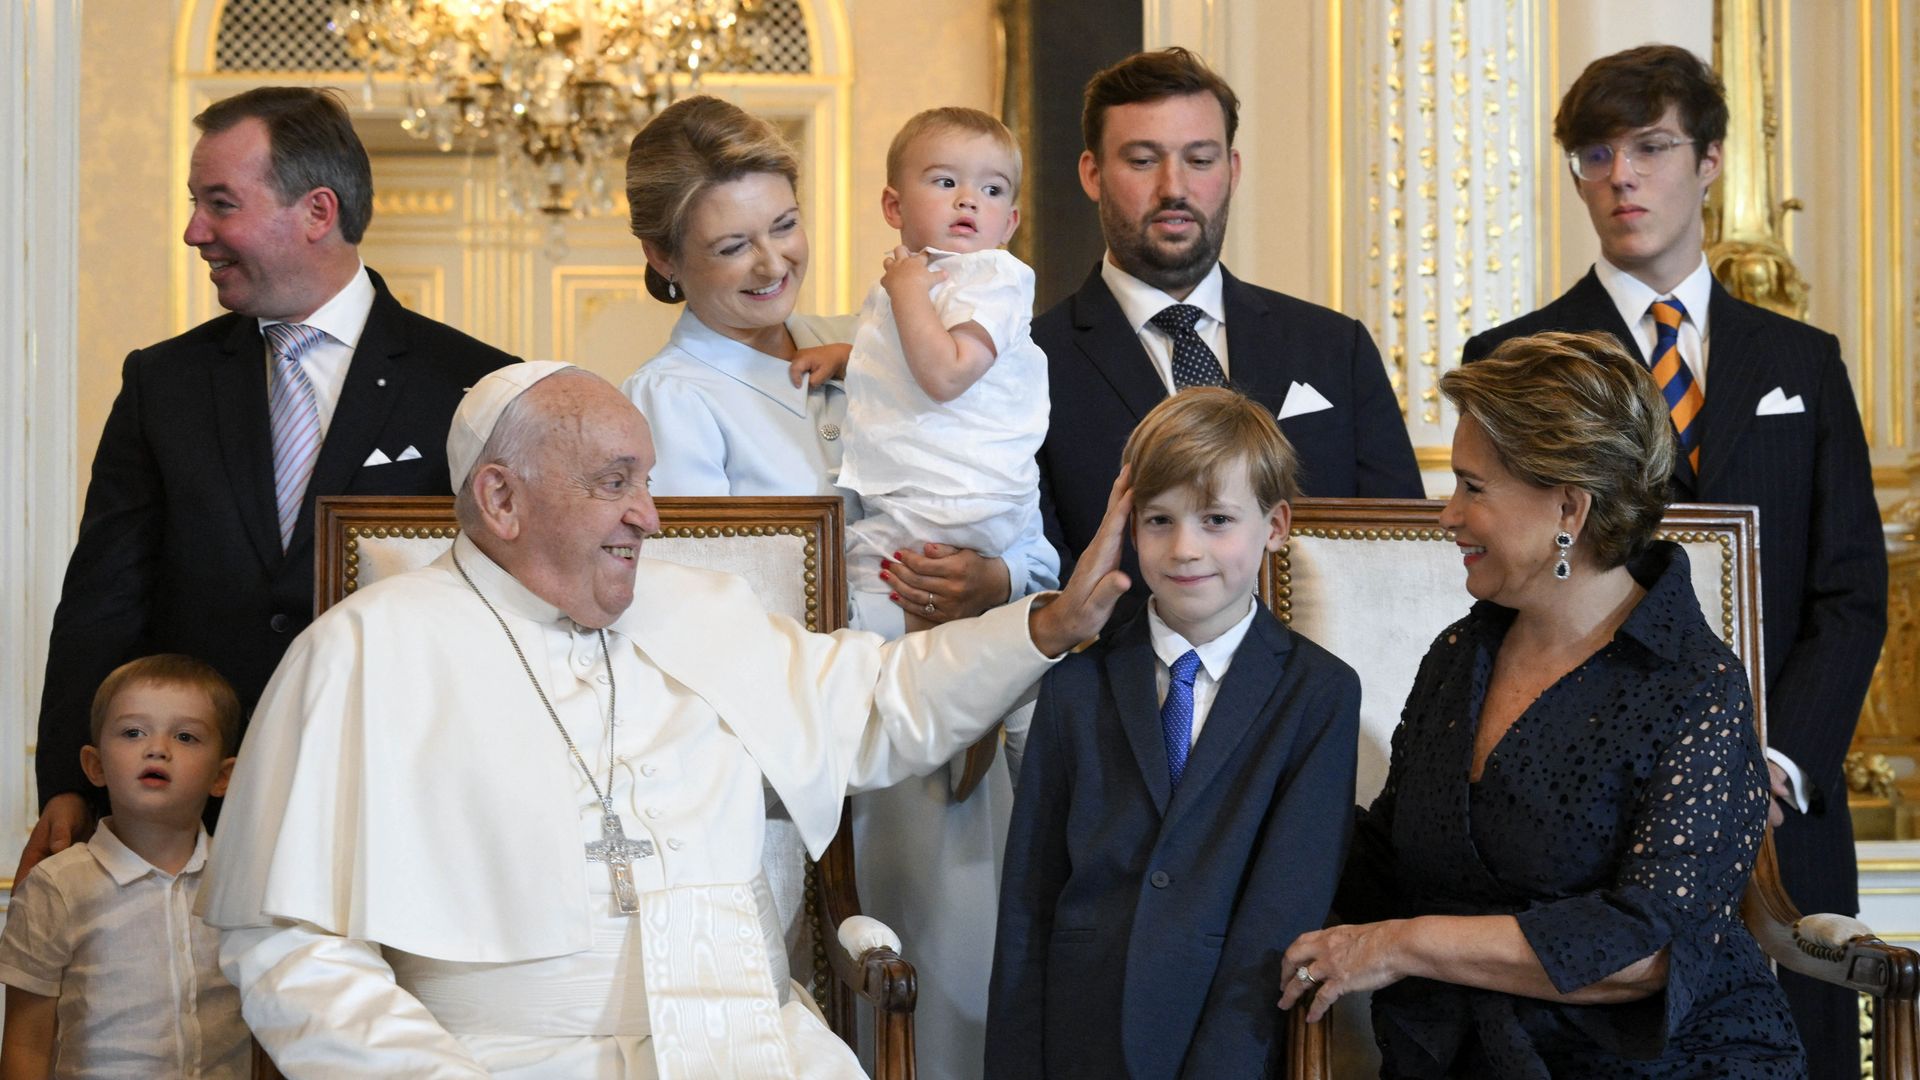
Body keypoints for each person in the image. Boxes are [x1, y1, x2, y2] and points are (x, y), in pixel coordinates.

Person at [199, 362, 1129, 1077]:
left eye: (645, 479)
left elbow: (882, 704)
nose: (649, 516)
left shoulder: (704, 608)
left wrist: (1045, 626)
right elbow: (288, 941)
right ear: (501, 498)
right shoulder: (362, 650)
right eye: (615, 482)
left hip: (752, 1049)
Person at [1460, 46, 1885, 1075]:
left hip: (1785, 817)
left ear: (1709, 163)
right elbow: (1502, 594)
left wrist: (1773, 767)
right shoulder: (1516, 357)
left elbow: (1850, 592)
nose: (1621, 178)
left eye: (1650, 147)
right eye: (1594, 155)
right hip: (1591, 830)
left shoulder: (1801, 362)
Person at [619, 96, 1057, 1080]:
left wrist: (990, 577)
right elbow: (704, 625)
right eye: (732, 246)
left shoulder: (883, 335)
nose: (773, 264)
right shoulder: (671, 402)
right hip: (822, 773)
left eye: (784, 226)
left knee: (978, 1003)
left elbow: (1006, 508)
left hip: (961, 733)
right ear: (664, 259)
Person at [20, 86, 519, 885]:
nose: (195, 232)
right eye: (196, 204)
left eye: (221, 204)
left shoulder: (475, 383)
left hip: (398, 811)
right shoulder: (164, 383)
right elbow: (104, 597)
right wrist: (71, 787)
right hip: (188, 825)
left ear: (317, 211)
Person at [1279, 332, 1805, 1077]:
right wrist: (1267, 777)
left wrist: (1398, 945)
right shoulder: (1460, 657)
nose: (1448, 516)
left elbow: (1643, 948)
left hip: (1667, 1061)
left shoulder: (1695, 688)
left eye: (1473, 487)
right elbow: (1392, 866)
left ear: (1567, 505)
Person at [987, 387, 1359, 1078]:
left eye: (1217, 518)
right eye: (1159, 520)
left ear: (1275, 526)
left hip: (1232, 1037)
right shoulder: (1075, 687)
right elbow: (1029, 903)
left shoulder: (1320, 695)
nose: (1185, 549)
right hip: (1080, 1037)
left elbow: (1285, 906)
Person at [1034, 46, 1423, 619]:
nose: (1174, 187)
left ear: (1232, 171)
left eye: (1200, 159)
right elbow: (1035, 576)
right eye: (1143, 160)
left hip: (1321, 690)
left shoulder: (1334, 348)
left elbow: (1403, 555)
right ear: (1092, 174)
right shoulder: (1031, 363)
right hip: (1119, 693)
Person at [786, 106, 1049, 638]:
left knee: (848, 591)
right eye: (946, 181)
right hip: (937, 494)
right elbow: (907, 355)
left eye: (993, 191)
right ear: (893, 204)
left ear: (1010, 225)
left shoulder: (995, 278)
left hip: (958, 496)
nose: (969, 199)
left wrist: (905, 292)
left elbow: (946, 372)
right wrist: (848, 355)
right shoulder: (931, 274)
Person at [0, 655, 250, 1079]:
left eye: (186, 736)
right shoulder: (57, 887)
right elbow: (26, 1044)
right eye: (133, 732)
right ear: (95, 766)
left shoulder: (242, 884)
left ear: (223, 777)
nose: (157, 748)